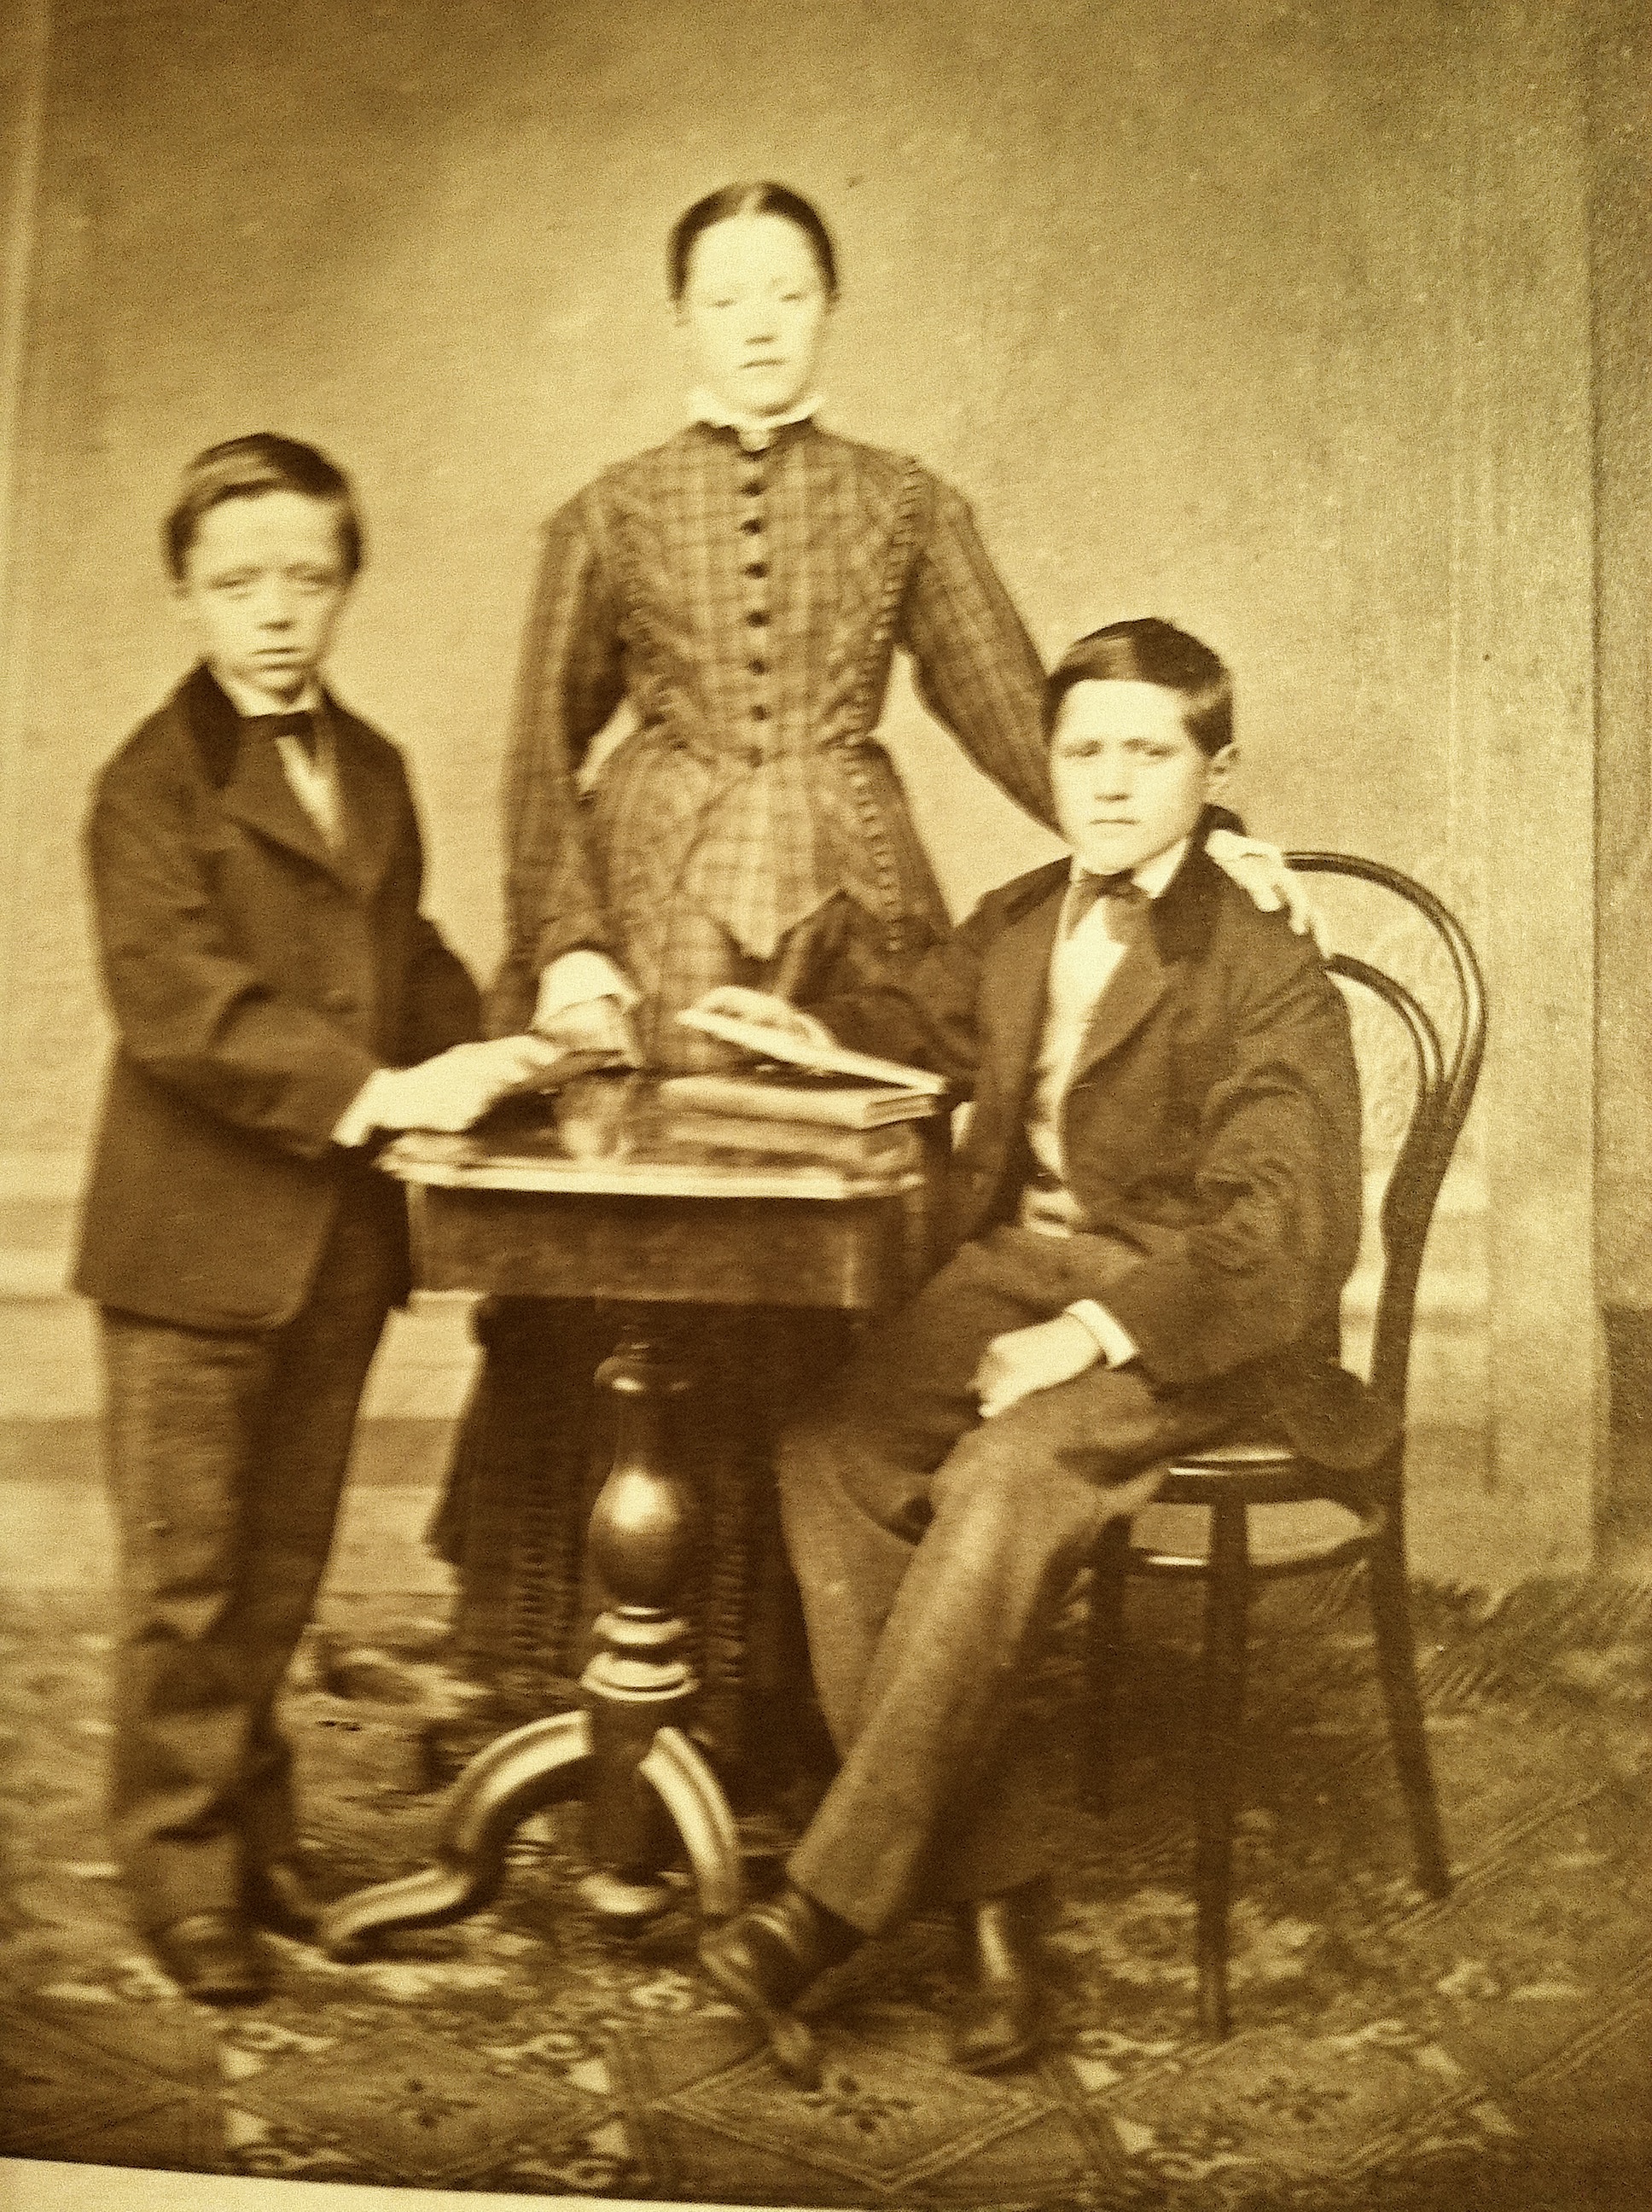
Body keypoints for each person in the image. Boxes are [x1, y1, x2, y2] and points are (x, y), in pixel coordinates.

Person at [431, 181, 1315, 1696]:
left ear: (828, 308)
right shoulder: (611, 510)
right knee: (637, 1251)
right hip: (655, 923)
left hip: (854, 932)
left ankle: (783, 1683)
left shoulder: (906, 502)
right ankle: (591, 1654)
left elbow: (1032, 717)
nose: (760, 324)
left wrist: (1208, 846)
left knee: (837, 1247)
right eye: (727, 296)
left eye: (789, 292)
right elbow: (537, 752)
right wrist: (572, 946)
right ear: (682, 318)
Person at [695, 618, 1393, 2079]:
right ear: (1050, 765)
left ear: (1215, 771)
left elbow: (1286, 1231)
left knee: (1003, 1478)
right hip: (1011, 1269)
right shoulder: (1021, 916)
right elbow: (915, 1026)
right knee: (831, 1450)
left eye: (1150, 752)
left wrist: (1086, 1334)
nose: (1112, 783)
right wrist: (798, 1028)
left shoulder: (1263, 955)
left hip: (1187, 1314)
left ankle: (823, 1912)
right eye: (1084, 752)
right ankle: (993, 1898)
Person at [73, 434, 559, 2005]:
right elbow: (183, 1008)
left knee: (279, 1571)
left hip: (332, 1246)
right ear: (186, 592)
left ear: (346, 583)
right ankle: (181, 1876)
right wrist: (388, 1093)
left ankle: (253, 1843)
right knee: (188, 1588)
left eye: (307, 577)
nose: (276, 611)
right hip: (190, 1249)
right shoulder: (149, 786)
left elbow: (399, 965)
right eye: (238, 583)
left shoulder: (374, 769)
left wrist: (522, 1042)